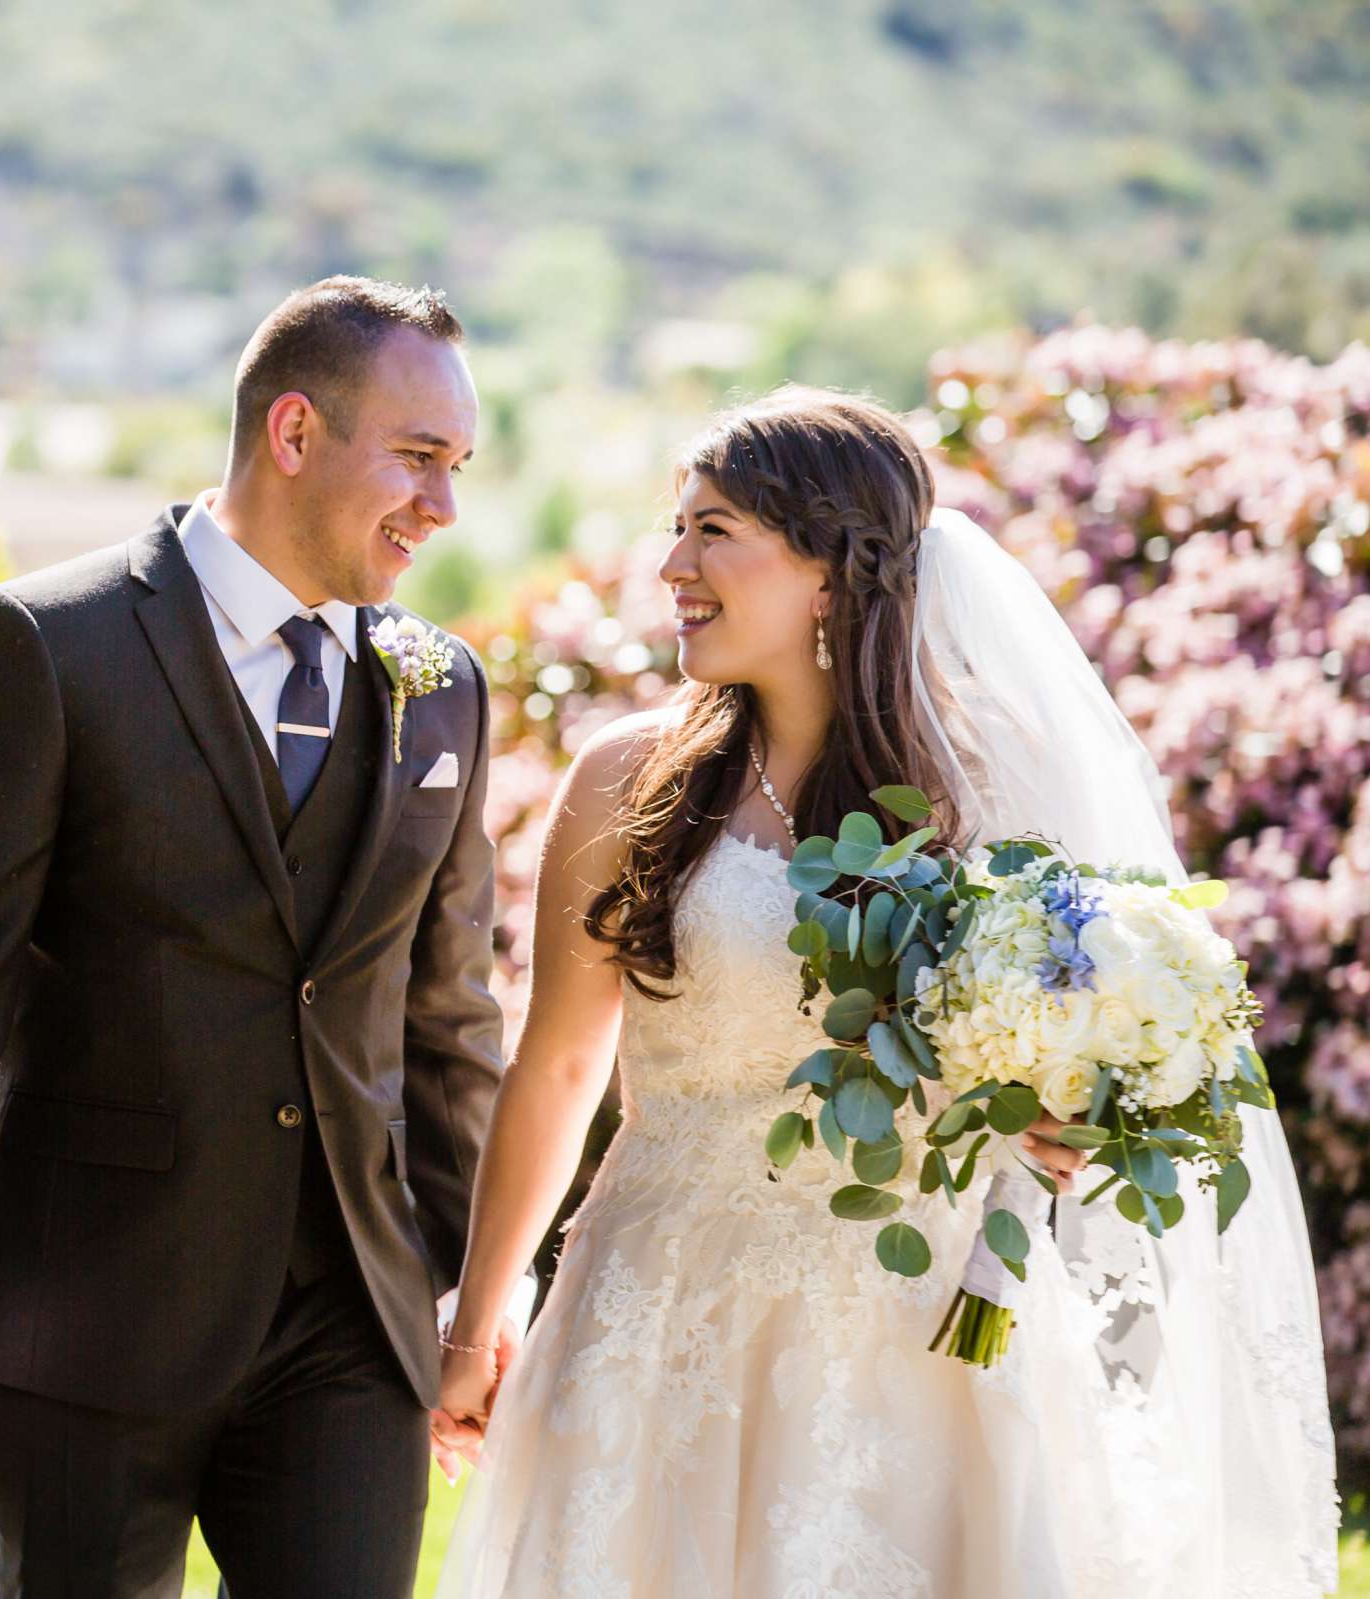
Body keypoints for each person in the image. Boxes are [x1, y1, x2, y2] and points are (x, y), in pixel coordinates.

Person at [433, 387, 1337, 1597]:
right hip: (661, 1300)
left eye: (715, 534)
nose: (672, 566)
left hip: (918, 1319)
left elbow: (1091, 1016)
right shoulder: (625, 777)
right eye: (678, 528)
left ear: (830, 574)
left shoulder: (985, 786)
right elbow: (555, 1066)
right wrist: (481, 1315)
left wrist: (1068, 1102)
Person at [0, 275, 524, 1598]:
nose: (442, 507)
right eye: (417, 459)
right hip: (93, 1312)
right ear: (293, 433)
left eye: (459, 468)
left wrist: (470, 1297)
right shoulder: (45, 646)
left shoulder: (441, 685)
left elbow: (444, 1016)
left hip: (352, 1321)